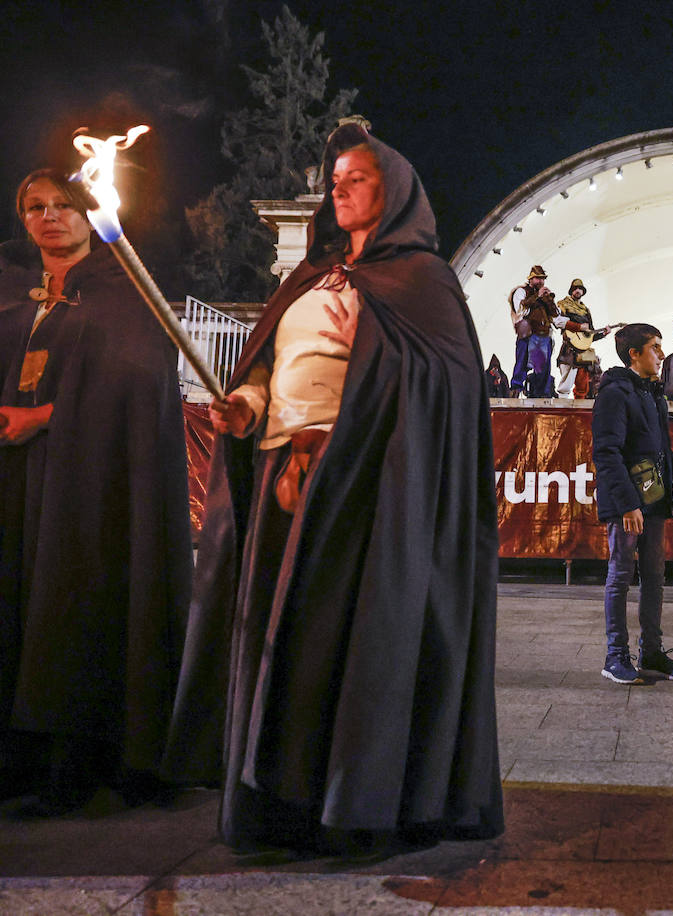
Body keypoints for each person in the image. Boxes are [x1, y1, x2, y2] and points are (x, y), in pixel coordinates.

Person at [164, 124, 503, 853]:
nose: (339, 188)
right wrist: (246, 407)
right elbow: (265, 367)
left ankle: (354, 801)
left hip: (364, 489)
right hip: (284, 474)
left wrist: (366, 377)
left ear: (396, 191)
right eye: (336, 178)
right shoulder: (306, 279)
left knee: (344, 640)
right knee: (277, 637)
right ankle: (280, 798)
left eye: (357, 177)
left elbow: (441, 386)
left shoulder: (422, 281)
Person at [0, 168, 193, 813]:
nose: (49, 217)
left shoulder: (126, 289)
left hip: (92, 485)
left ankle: (74, 764)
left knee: (71, 604)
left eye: (64, 205)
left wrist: (47, 417)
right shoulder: (8, 285)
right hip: (13, 479)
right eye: (35, 207)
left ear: (90, 216)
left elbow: (138, 387)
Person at [592, 324, 673, 684]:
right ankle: (615, 656)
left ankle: (651, 652)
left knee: (654, 577)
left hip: (653, 502)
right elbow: (607, 453)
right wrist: (626, 505)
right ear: (633, 354)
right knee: (620, 576)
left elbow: (653, 448)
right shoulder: (614, 393)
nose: (661, 354)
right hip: (627, 504)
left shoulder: (654, 395)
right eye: (654, 347)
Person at [554, 278, 609, 398]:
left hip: (583, 353)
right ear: (571, 290)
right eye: (575, 288)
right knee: (566, 385)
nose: (578, 291)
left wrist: (603, 333)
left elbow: (590, 335)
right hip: (569, 350)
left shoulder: (585, 310)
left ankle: (578, 413)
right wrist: (578, 327)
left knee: (582, 385)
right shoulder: (562, 304)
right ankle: (563, 412)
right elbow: (558, 322)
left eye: (580, 289)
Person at [509, 265, 558, 398]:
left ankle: (541, 394)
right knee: (522, 364)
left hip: (542, 335)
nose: (540, 281)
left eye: (542, 279)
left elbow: (555, 315)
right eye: (537, 278)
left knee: (542, 368)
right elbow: (521, 309)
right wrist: (537, 296)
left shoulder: (544, 296)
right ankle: (515, 391)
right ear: (530, 279)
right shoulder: (521, 291)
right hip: (528, 334)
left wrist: (549, 301)